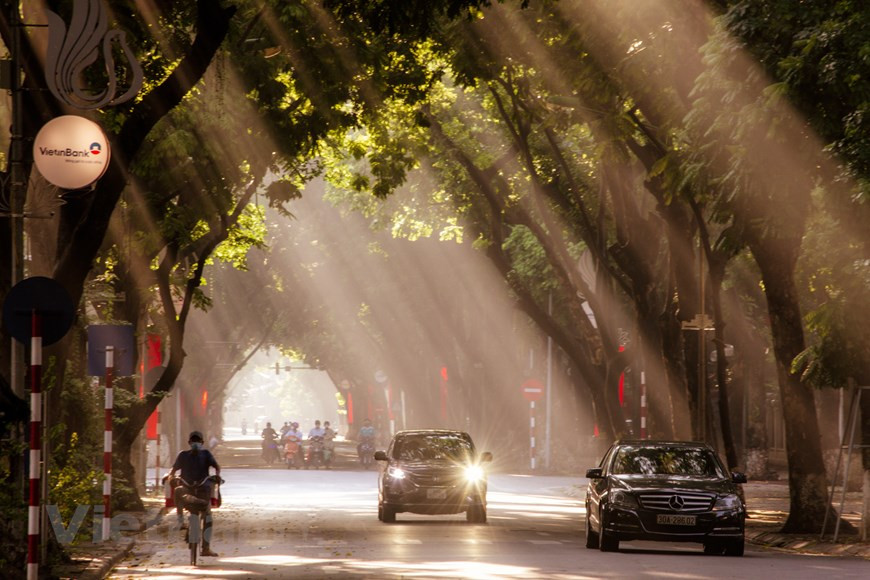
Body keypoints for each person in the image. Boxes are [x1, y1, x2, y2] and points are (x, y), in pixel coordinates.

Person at [168, 431, 221, 557]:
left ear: (202, 443)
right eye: (193, 441)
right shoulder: (183, 455)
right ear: (189, 443)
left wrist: (217, 476)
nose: (195, 443)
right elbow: (173, 469)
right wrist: (171, 477)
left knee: (208, 517)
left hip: (203, 489)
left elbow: (217, 467)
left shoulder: (206, 454)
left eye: (198, 441)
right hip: (187, 487)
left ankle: (206, 548)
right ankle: (181, 521)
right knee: (177, 490)